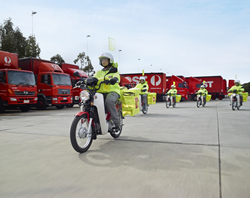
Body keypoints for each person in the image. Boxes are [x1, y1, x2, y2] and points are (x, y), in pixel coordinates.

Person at [94, 52, 121, 130]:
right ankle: (97, 122)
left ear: (110, 61)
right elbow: (94, 78)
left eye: (105, 60)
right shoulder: (99, 72)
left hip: (113, 91)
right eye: (102, 60)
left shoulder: (114, 71)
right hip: (101, 92)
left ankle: (117, 123)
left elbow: (117, 77)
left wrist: (114, 79)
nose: (104, 61)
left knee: (109, 101)